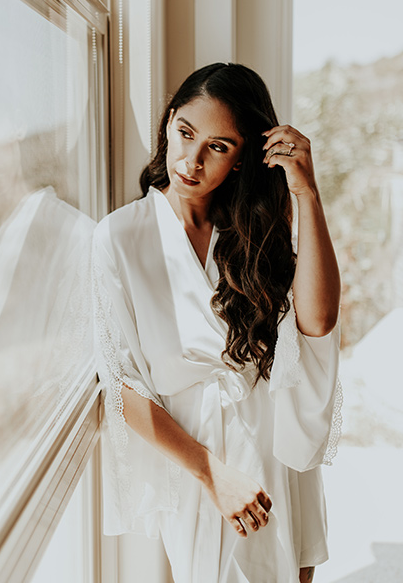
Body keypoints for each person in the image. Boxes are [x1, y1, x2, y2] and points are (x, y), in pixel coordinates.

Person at [92, 62, 341, 583]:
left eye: (219, 146)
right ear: (168, 122)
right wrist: (213, 475)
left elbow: (318, 323)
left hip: (277, 441)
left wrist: (307, 193)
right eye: (185, 133)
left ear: (243, 155)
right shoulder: (120, 237)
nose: (192, 160)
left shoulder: (252, 229)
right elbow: (119, 385)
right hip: (199, 462)